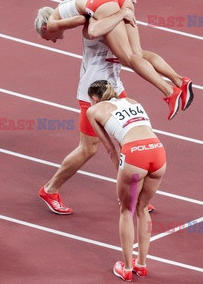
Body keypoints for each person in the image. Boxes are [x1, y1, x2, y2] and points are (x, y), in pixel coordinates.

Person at [36, 0, 161, 215]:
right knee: (89, 149)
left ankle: (129, 195)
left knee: (128, 138)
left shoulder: (114, 12)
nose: (134, 2)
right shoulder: (98, 14)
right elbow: (84, 23)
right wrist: (58, 21)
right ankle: (50, 189)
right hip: (93, 91)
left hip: (113, 86)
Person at [35, 0, 194, 121]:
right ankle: (180, 81)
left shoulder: (51, 24)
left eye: (48, 39)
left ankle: (170, 91)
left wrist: (114, 17)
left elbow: (82, 19)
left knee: (128, 58)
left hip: (102, 5)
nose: (53, 41)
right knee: (137, 53)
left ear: (44, 29)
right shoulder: (64, 4)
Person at [86, 80, 166, 281]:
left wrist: (122, 175)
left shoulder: (94, 111)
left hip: (134, 156)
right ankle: (142, 265)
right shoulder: (132, 101)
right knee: (143, 207)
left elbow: (112, 150)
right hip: (157, 151)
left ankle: (127, 268)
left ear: (95, 98)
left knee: (127, 209)